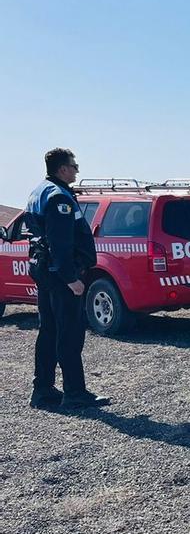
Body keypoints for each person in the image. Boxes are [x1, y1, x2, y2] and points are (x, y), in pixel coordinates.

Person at [25, 148, 108, 409]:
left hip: (46, 273)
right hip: (61, 276)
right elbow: (60, 242)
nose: (76, 170)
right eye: (74, 166)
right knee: (70, 334)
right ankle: (74, 393)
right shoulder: (59, 197)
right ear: (62, 169)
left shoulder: (39, 191)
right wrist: (71, 278)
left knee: (49, 331)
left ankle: (43, 390)